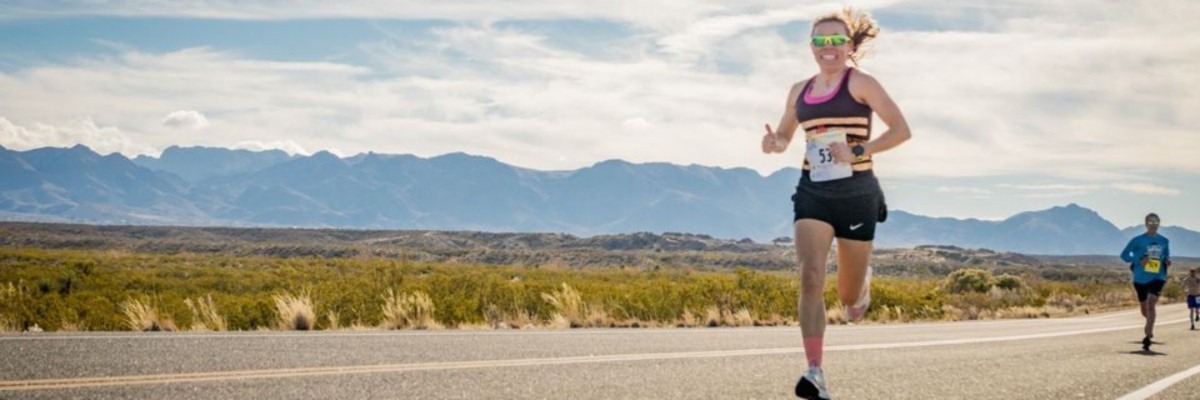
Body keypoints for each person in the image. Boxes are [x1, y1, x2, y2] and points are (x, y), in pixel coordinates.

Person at [759, 6, 911, 400]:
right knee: (810, 275)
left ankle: (860, 290)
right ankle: (815, 372)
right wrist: (773, 143)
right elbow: (784, 135)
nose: (828, 47)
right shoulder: (799, 91)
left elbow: (901, 130)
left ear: (848, 46)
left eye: (836, 40)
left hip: (858, 194)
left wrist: (859, 149)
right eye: (820, 41)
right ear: (811, 46)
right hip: (813, 192)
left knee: (847, 298)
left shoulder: (862, 83)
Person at [1119, 213, 1171, 350]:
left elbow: (1166, 255)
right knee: (1144, 309)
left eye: (1156, 221)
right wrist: (1139, 259)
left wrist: (1166, 261)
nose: (1153, 224)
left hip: (1158, 276)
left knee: (1151, 302)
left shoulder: (1164, 241)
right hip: (1140, 278)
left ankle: (1147, 335)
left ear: (1159, 223)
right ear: (1146, 223)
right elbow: (1124, 255)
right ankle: (1150, 323)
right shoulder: (1138, 240)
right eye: (1150, 221)